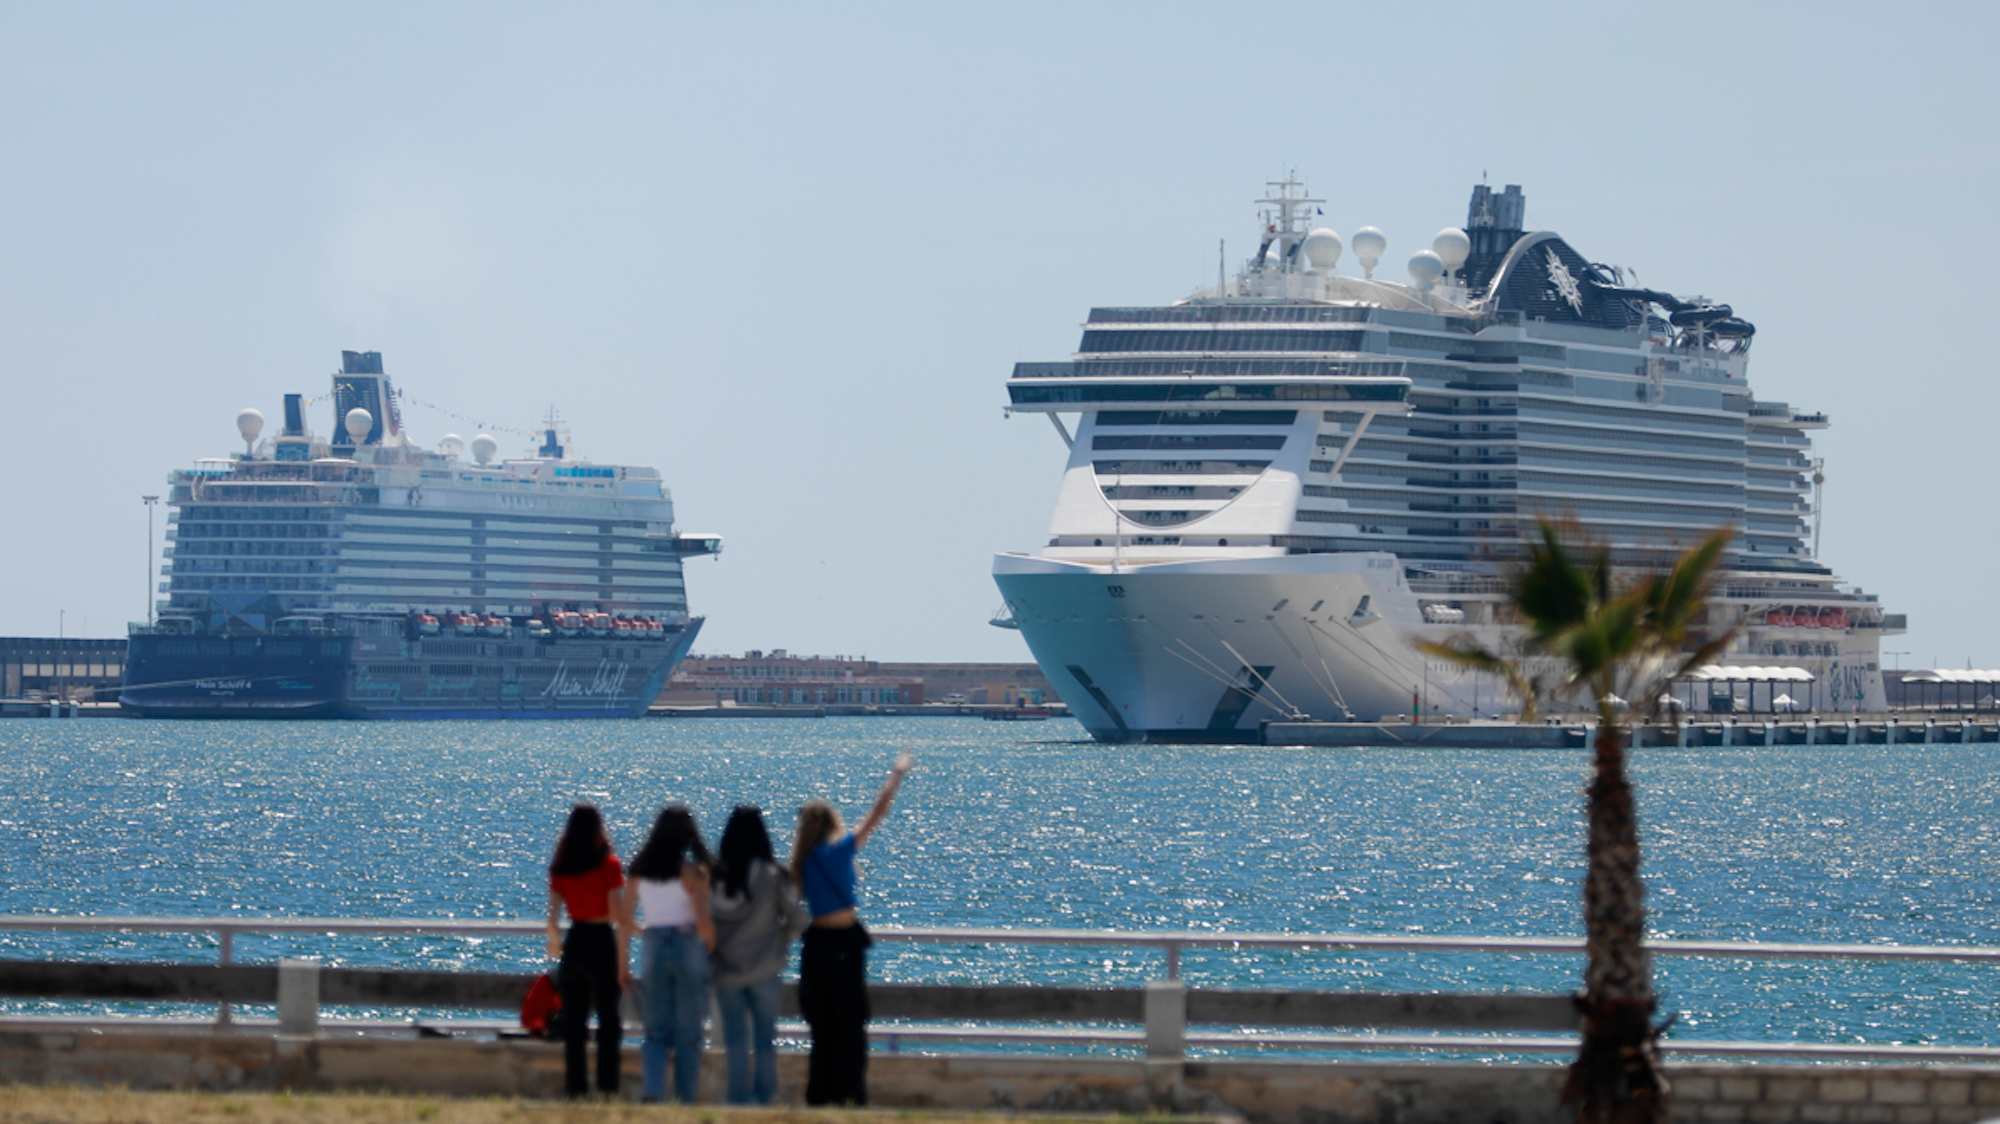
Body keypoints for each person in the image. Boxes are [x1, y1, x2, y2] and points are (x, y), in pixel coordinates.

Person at [791, 750, 913, 1106]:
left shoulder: (801, 861)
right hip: (844, 945)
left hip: (815, 947)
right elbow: (878, 813)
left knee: (822, 1032)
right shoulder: (840, 850)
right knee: (850, 1026)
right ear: (832, 823)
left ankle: (819, 1099)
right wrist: (897, 774)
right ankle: (851, 1099)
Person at [710, 805, 808, 1105]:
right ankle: (765, 1101)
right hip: (766, 969)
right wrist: (778, 940)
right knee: (765, 1041)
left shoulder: (714, 876)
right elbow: (797, 919)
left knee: (735, 1041)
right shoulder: (773, 875)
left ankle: (738, 1101)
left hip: (725, 971)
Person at [625, 805, 716, 1104]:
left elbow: (624, 920)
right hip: (686, 944)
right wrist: (714, 948)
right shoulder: (693, 873)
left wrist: (627, 957)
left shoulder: (640, 870)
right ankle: (685, 1100)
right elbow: (703, 922)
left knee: (655, 1032)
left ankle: (652, 1090)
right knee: (688, 1035)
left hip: (653, 945)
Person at [545, 803, 628, 1098]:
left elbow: (553, 919)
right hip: (601, 940)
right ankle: (607, 1088)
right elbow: (617, 915)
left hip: (575, 940)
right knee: (608, 1020)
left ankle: (575, 1089)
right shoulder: (609, 865)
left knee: (574, 1023)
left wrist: (554, 945)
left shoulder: (562, 866)